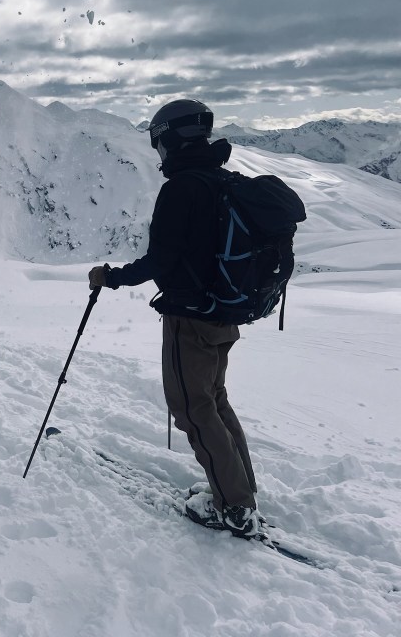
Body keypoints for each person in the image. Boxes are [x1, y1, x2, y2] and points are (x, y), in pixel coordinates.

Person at [87, 98, 261, 539]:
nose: (158, 151)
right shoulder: (221, 179)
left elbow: (161, 262)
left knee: (193, 407)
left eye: (159, 142)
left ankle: (235, 506)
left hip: (191, 318)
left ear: (172, 139)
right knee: (215, 400)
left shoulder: (182, 187)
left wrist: (111, 277)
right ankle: (238, 491)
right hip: (225, 314)